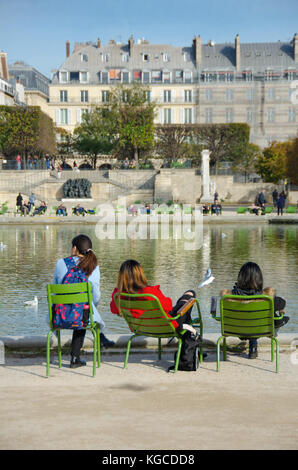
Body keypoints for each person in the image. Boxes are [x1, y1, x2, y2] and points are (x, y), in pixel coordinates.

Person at [52, 234, 114, 368]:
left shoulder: (60, 263)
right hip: (82, 317)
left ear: (74, 248)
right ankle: (76, 357)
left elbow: (55, 288)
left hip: (59, 315)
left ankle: (98, 340)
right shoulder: (93, 266)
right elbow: (96, 294)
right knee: (84, 312)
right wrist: (92, 306)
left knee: (81, 311)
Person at [220, 262, 289, 359]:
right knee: (272, 313)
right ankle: (254, 345)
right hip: (260, 330)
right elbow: (283, 303)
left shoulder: (228, 297)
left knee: (251, 317)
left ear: (240, 277)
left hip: (236, 330)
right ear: (259, 279)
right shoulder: (267, 298)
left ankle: (253, 345)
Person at [110, 259, 197, 334]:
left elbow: (114, 310)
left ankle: (187, 341)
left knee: (184, 311)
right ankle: (188, 346)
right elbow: (168, 307)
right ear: (140, 274)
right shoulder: (149, 292)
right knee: (189, 296)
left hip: (140, 328)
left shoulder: (118, 295)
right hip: (164, 326)